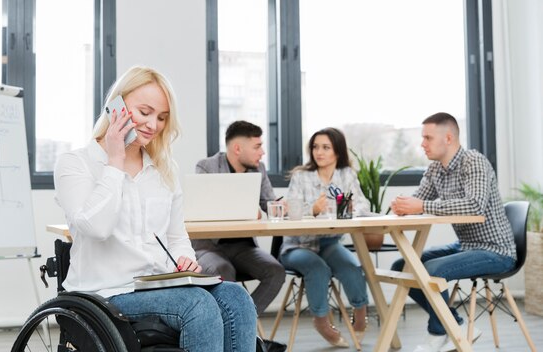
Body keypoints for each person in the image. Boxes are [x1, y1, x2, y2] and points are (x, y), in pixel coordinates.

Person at [53, 66, 256, 352]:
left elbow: (176, 238)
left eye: (161, 117)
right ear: (117, 107)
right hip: (106, 291)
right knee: (197, 305)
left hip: (159, 286)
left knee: (236, 297)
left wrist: (185, 260)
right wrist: (115, 160)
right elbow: (97, 228)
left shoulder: (163, 169)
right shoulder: (75, 164)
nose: (153, 125)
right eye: (145, 112)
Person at [390, 112, 517, 352]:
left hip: (496, 251)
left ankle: (438, 334)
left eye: (427, 137)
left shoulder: (474, 161)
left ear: (448, 138)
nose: (422, 143)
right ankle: (455, 324)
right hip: (466, 246)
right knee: (402, 267)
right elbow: (419, 200)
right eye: (422, 138)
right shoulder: (436, 169)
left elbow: (474, 205)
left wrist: (421, 206)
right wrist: (403, 205)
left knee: (432, 270)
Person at [191, 121, 287, 349]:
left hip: (243, 247)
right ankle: (236, 331)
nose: (262, 152)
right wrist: (243, 210)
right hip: (209, 247)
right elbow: (201, 206)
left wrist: (282, 206)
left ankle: (237, 324)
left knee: (275, 271)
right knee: (223, 270)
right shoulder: (206, 166)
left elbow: (270, 204)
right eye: (257, 146)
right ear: (237, 148)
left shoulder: (259, 169)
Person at [281, 127, 369, 347]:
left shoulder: (346, 175)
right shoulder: (301, 176)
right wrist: (313, 209)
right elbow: (290, 210)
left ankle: (360, 316)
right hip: (297, 246)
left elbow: (363, 204)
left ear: (337, 152)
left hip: (329, 242)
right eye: (315, 147)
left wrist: (348, 209)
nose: (318, 152)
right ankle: (321, 322)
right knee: (318, 268)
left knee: (352, 266)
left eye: (325, 147)